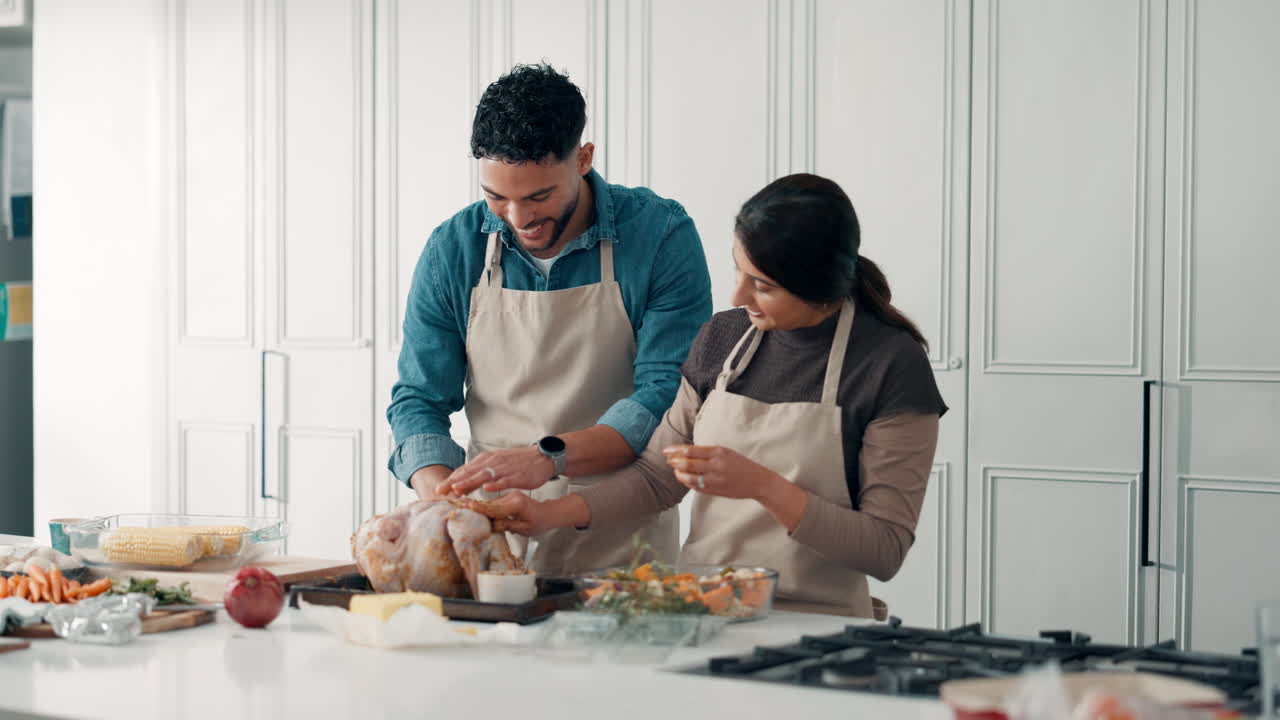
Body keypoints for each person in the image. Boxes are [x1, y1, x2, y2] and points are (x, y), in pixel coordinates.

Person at [458, 173, 947, 617]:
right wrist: (546, 515)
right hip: (702, 612)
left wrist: (761, 484)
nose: (738, 298)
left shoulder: (889, 366)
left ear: (820, 288)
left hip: (816, 623)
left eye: (763, 286)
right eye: (738, 271)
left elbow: (884, 549)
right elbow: (656, 478)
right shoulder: (724, 339)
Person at [387, 63, 712, 576]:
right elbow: (419, 399)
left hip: (619, 535)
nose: (518, 219)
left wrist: (548, 458)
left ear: (583, 159)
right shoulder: (454, 248)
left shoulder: (659, 235)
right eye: (496, 197)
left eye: (538, 196)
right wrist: (441, 493)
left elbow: (665, 393)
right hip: (489, 541)